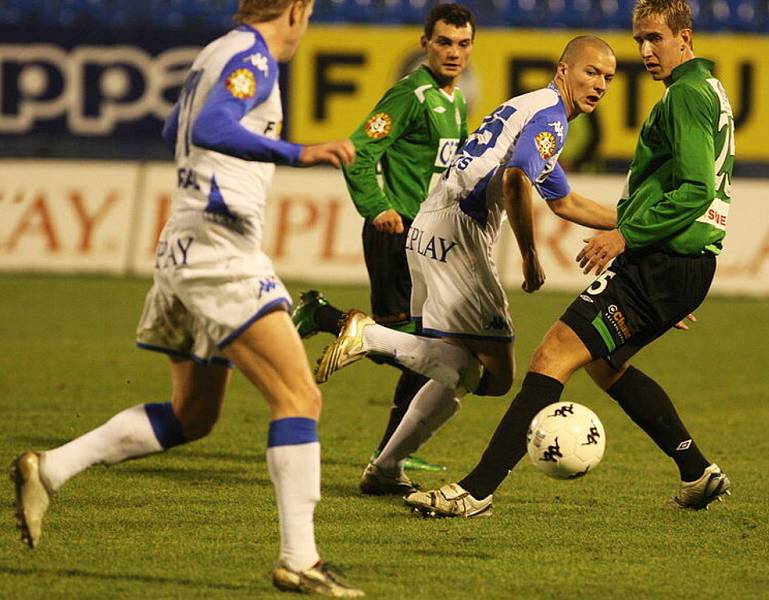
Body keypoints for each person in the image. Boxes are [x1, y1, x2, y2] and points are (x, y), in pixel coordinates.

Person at [11, 1, 364, 596]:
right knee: (298, 396)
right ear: (298, 10)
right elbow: (206, 129)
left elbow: (172, 128)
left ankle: (51, 468)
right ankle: (300, 559)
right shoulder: (253, 55)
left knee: (192, 417)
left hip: (183, 246)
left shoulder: (212, 53)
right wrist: (296, 151)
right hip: (218, 248)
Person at [404, 0, 735, 518]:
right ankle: (696, 470)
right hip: (674, 261)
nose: (646, 51)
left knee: (551, 355)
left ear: (684, 38)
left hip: (663, 259)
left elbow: (695, 190)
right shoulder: (710, 91)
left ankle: (475, 490)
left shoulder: (683, 98)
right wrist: (671, 263)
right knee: (605, 365)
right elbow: (565, 201)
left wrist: (630, 241)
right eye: (639, 41)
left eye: (655, 38)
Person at [315, 36, 619, 503]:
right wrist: (530, 256)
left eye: (608, 78)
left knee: (455, 367)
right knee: (496, 377)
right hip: (460, 232)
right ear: (563, 69)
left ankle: (386, 468)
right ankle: (366, 334)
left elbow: (565, 200)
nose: (599, 84)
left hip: (429, 225)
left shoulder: (530, 109)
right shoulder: (552, 117)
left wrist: (635, 224)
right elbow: (516, 178)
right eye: (591, 72)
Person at [291, 3, 475, 476]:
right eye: (444, 42)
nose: (453, 52)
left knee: (427, 345)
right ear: (425, 44)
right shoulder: (410, 95)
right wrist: (378, 209)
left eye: (462, 43)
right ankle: (323, 314)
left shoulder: (455, 100)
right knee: (409, 345)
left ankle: (393, 448)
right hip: (396, 235)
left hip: (430, 241)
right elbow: (357, 154)